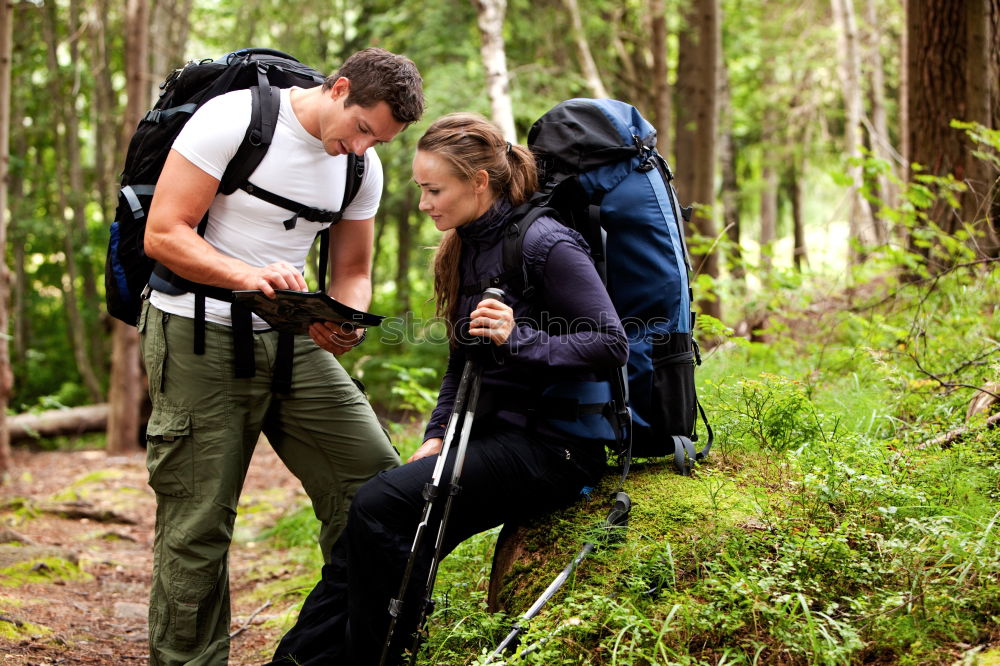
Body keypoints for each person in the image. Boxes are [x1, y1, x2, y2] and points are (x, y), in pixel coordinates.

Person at [267, 112, 629, 665]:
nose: (423, 203)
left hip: (556, 447)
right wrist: (437, 434)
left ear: (478, 181)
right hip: (492, 438)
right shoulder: (467, 246)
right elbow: (464, 358)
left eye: (434, 190)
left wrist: (520, 340)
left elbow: (611, 343)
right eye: (420, 189)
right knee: (371, 538)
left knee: (377, 505)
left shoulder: (545, 242)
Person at [138, 48, 424, 665]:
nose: (362, 148)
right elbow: (164, 233)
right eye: (363, 129)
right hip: (196, 332)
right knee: (199, 525)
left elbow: (353, 271)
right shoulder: (233, 119)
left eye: (380, 141)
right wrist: (247, 274)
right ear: (340, 88)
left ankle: (337, 650)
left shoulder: (360, 169)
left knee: (375, 485)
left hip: (291, 340)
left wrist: (340, 319)